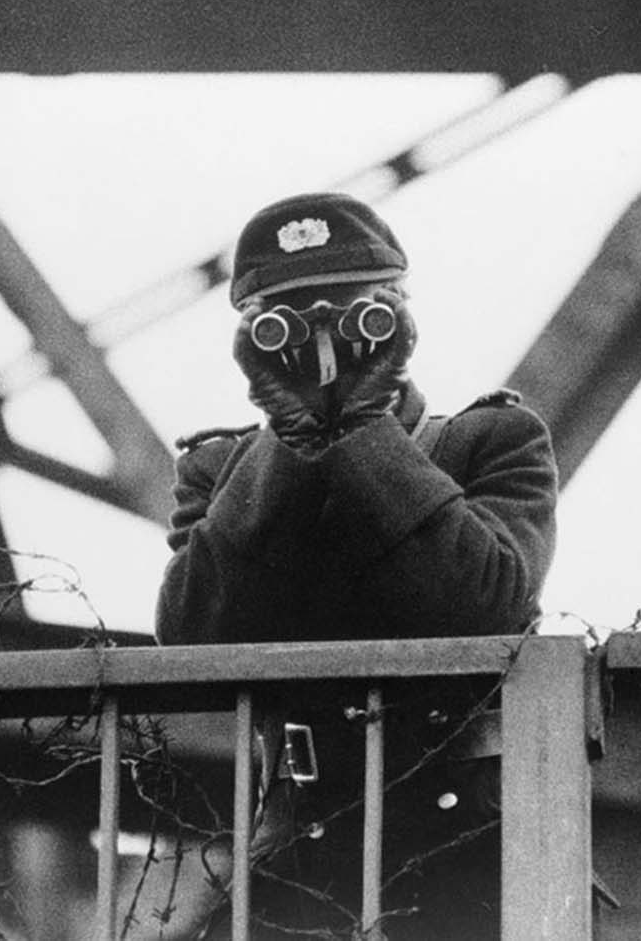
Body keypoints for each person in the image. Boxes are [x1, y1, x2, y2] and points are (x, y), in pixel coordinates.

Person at [154, 192, 559, 939]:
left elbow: (485, 605)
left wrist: (367, 430)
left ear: (398, 312)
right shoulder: (221, 470)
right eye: (284, 319)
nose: (322, 338)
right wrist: (290, 433)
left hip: (466, 855)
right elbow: (190, 631)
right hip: (297, 863)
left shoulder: (492, 441)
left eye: (352, 310)